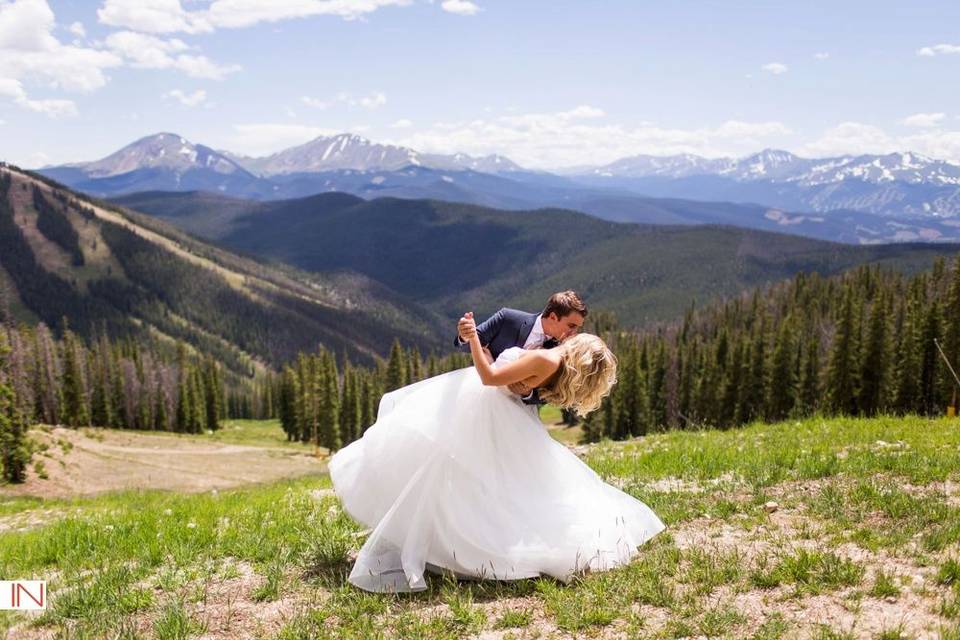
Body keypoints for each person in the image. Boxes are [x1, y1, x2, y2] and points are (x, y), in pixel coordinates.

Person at [328, 309, 665, 594]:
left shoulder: (545, 357)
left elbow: (488, 377)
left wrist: (473, 337)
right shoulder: (553, 363)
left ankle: (450, 545)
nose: (572, 334)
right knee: (491, 480)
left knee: (449, 470)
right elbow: (509, 380)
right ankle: (444, 542)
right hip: (500, 412)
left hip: (483, 406)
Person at [453, 290, 587, 404]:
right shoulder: (508, 318)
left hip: (517, 413)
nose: (574, 333)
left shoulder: (561, 350)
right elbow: (472, 343)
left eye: (577, 328)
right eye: (571, 326)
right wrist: (465, 336)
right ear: (553, 317)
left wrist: (528, 393)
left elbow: (554, 392)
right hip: (480, 395)